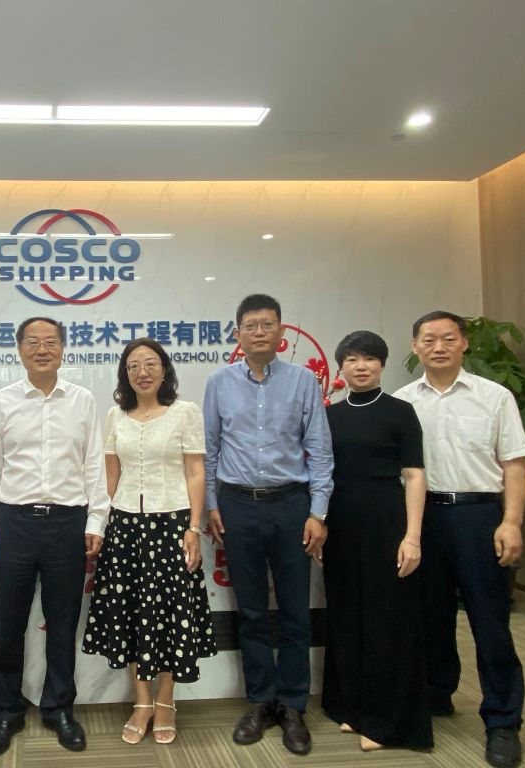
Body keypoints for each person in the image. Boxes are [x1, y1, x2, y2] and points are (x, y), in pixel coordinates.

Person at [395, 311, 525, 768]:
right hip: (423, 518)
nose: (439, 347)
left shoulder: (494, 396)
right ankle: (436, 696)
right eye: (429, 339)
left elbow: (515, 464)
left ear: (464, 343)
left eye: (448, 339)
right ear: (415, 346)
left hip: (479, 516)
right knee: (429, 616)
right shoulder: (402, 402)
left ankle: (503, 721)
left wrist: (511, 522)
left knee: (490, 622)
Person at [202, 293, 333, 757]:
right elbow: (210, 449)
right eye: (251, 325)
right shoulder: (218, 383)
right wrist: (212, 505)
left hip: (291, 506)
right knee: (252, 610)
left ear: (281, 331)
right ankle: (260, 700)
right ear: (238, 333)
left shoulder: (302, 381)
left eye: (267, 324)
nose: (259, 332)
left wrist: (318, 512)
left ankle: (293, 705)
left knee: (295, 609)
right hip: (237, 506)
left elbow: (320, 450)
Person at [0, 317, 109, 758]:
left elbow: (93, 464)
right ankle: (6, 712)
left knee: (63, 622)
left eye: (50, 341)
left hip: (67, 523)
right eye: (32, 342)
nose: (42, 349)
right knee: (8, 624)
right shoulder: (1, 402)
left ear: (63, 348)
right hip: (13, 522)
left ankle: (59, 709)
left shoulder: (82, 400)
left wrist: (95, 521)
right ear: (19, 349)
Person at [82, 338, 216, 745]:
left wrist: (193, 528)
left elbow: (195, 471)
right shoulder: (115, 416)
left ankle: (166, 701)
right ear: (125, 374)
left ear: (164, 370)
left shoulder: (185, 412)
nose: (142, 372)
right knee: (129, 614)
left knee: (172, 615)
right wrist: (99, 524)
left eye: (150, 363)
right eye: (133, 365)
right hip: (124, 526)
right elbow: (110, 475)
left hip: (173, 525)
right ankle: (141, 702)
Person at [320, 330, 432, 752]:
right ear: (341, 367)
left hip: (387, 522)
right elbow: (322, 474)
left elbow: (415, 475)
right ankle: (354, 707)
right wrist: (320, 524)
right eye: (351, 359)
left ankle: (388, 722)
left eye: (368, 358)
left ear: (382, 364)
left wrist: (413, 537)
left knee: (388, 618)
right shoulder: (330, 415)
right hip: (340, 523)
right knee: (347, 615)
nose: (360, 366)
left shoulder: (401, 412)